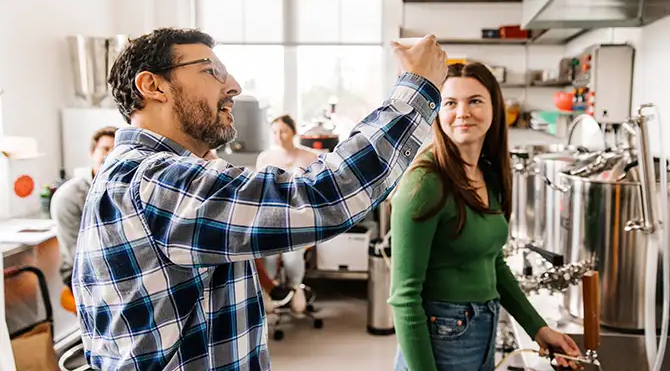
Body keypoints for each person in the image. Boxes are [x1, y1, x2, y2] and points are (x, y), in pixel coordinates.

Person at [73, 27, 447, 370]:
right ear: (153, 86)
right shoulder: (154, 182)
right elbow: (321, 196)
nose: (233, 86)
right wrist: (417, 88)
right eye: (211, 71)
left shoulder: (139, 174)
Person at [388, 62, 581, 371]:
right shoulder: (425, 182)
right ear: (438, 110)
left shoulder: (490, 174)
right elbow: (404, 299)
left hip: (481, 332)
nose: (462, 112)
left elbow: (493, 262)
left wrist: (538, 328)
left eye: (475, 100)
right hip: (440, 338)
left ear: (495, 108)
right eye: (450, 103)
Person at [254, 114, 318, 313]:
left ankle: (295, 288)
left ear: (293, 132)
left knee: (292, 256)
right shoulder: (265, 158)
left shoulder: (309, 157)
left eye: (283, 131)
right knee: (269, 256)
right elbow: (258, 192)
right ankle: (271, 291)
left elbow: (316, 193)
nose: (279, 136)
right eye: (274, 132)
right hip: (271, 220)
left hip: (299, 220)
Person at [51, 126, 117, 288]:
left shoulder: (121, 188)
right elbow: (77, 255)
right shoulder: (69, 195)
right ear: (92, 153)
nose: (110, 154)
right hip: (80, 274)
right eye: (105, 148)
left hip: (112, 267)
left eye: (116, 150)